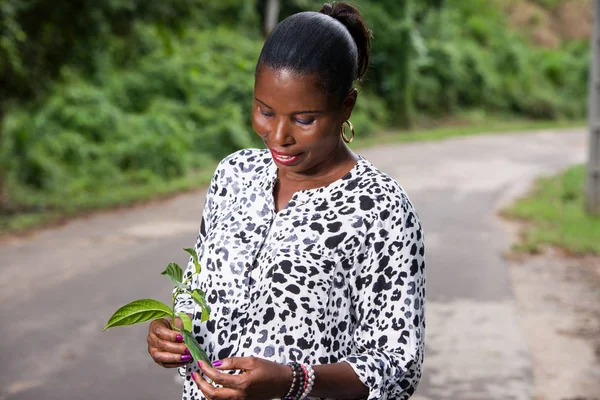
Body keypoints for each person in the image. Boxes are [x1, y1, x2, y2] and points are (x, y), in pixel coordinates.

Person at [146, 3, 425, 399]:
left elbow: (398, 366)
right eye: (264, 111)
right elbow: (195, 296)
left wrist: (293, 379)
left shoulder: (379, 207)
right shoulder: (234, 175)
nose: (278, 136)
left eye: (304, 119)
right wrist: (169, 335)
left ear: (346, 106)